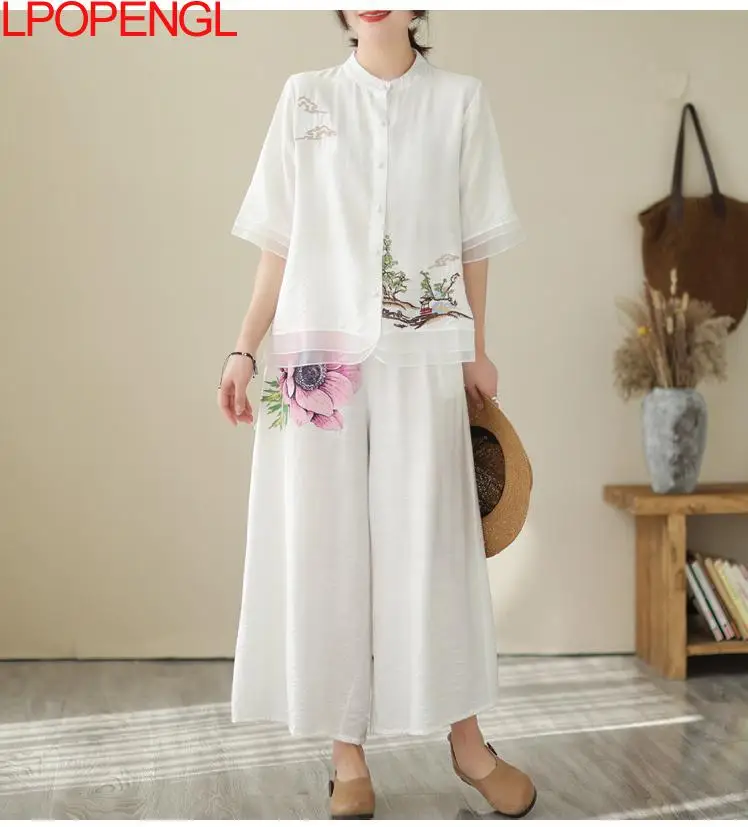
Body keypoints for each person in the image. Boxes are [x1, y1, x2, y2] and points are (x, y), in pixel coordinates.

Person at [217, 10, 536, 820]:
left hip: (424, 353)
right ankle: (345, 753)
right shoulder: (305, 97)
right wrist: (244, 347)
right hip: (315, 355)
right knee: (325, 551)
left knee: (432, 547)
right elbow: (278, 242)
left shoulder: (459, 101)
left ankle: (468, 744)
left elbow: (474, 242)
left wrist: (477, 348)